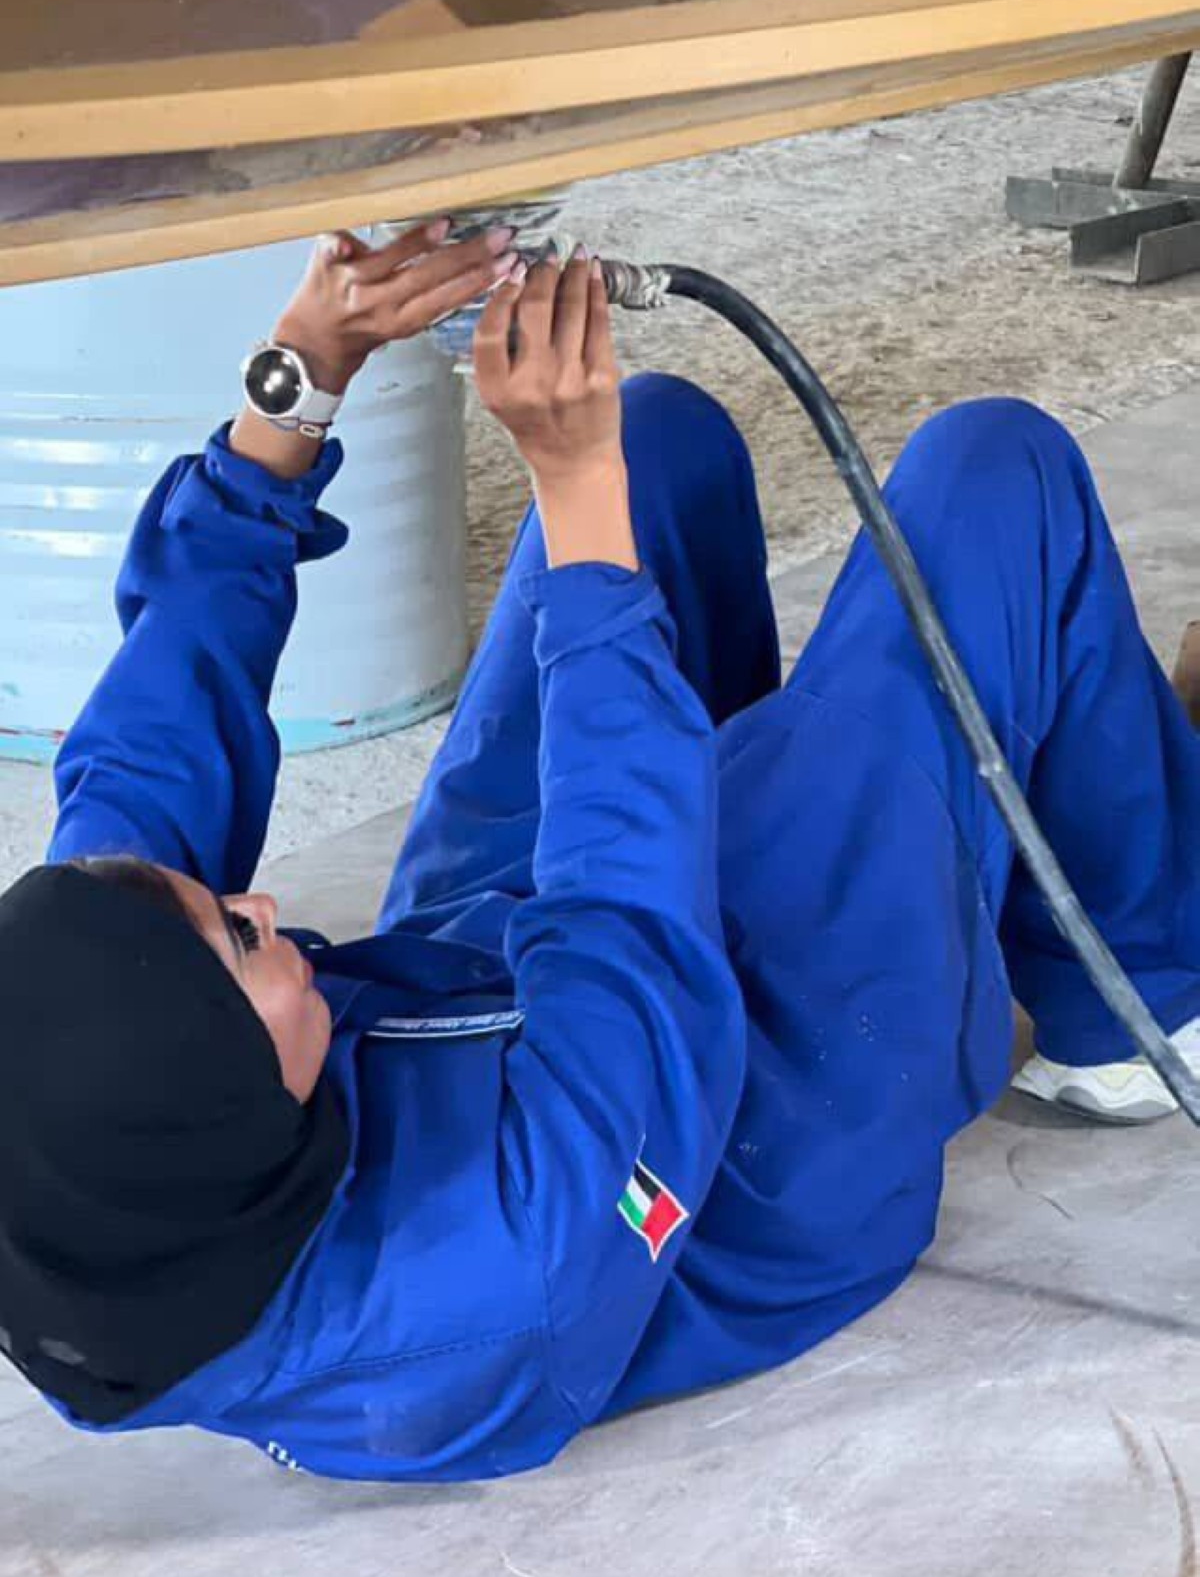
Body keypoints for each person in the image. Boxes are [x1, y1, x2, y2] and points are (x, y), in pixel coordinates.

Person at [2, 219, 1199, 1483]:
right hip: (750, 1105)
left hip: (478, 977)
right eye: (243, 942)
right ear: (234, 1107)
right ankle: (1140, 1004)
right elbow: (627, 931)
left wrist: (299, 377)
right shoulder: (484, 1272)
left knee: (655, 439)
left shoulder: (97, 1104)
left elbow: (153, 741)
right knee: (990, 473)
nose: (258, 902)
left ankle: (766, 744)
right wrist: (574, 496)